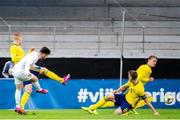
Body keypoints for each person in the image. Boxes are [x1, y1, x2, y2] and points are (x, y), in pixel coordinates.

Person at [81, 70, 159, 116]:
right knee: (109, 96)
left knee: (116, 113)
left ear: (132, 77)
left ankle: (128, 111)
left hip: (129, 104)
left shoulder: (140, 88)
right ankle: (92, 109)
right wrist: (117, 91)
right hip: (124, 97)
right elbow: (124, 86)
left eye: (129, 76)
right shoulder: (131, 82)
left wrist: (154, 112)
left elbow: (147, 101)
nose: (128, 77)